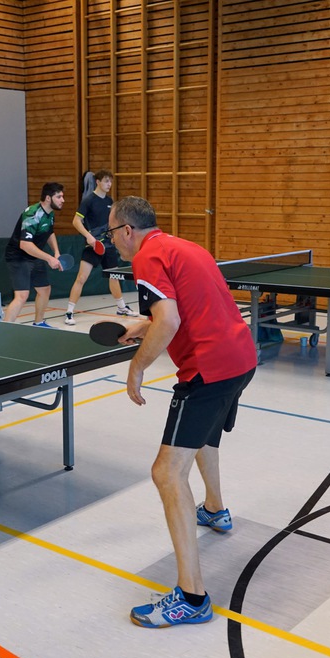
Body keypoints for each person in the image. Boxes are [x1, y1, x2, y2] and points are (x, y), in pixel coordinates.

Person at [109, 196, 257, 627]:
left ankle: (192, 598)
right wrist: (144, 326)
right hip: (241, 359)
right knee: (203, 437)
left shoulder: (146, 258)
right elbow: (187, 309)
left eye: (112, 232)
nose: (112, 241)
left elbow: (170, 321)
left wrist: (137, 367)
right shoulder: (184, 246)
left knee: (166, 473)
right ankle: (214, 509)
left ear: (127, 231)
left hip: (207, 370)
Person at [63, 170, 139, 324]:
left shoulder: (110, 201)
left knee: (114, 277)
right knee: (81, 278)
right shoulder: (88, 200)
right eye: (106, 181)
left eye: (110, 181)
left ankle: (121, 307)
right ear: (97, 182)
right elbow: (76, 221)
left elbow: (114, 223)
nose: (109, 184)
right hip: (93, 245)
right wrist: (89, 236)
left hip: (108, 246)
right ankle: (69, 312)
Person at [2, 182, 66, 326]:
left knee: (44, 290)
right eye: (59, 197)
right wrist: (49, 258)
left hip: (34, 255)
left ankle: (39, 323)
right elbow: (25, 244)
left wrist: (56, 252)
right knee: (22, 295)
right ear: (48, 198)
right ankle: (5, 329)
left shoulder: (50, 214)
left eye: (62, 196)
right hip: (18, 256)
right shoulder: (32, 214)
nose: (63, 200)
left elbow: (49, 232)